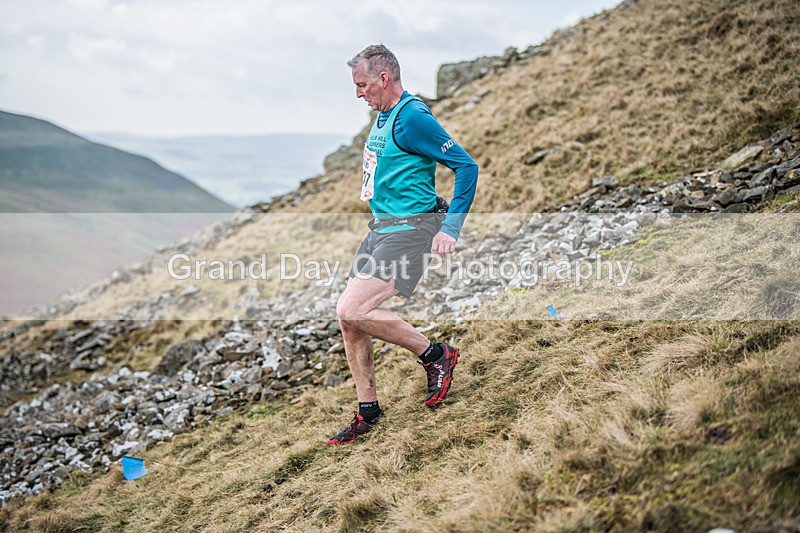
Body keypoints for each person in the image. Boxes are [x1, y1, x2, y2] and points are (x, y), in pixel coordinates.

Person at [327, 44, 479, 445]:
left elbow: (466, 166)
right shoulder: (382, 116)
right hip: (381, 229)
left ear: (383, 78)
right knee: (349, 319)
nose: (358, 93)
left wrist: (450, 227)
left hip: (412, 231)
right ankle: (368, 411)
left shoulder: (412, 117)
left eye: (362, 85)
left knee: (353, 307)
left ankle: (436, 355)